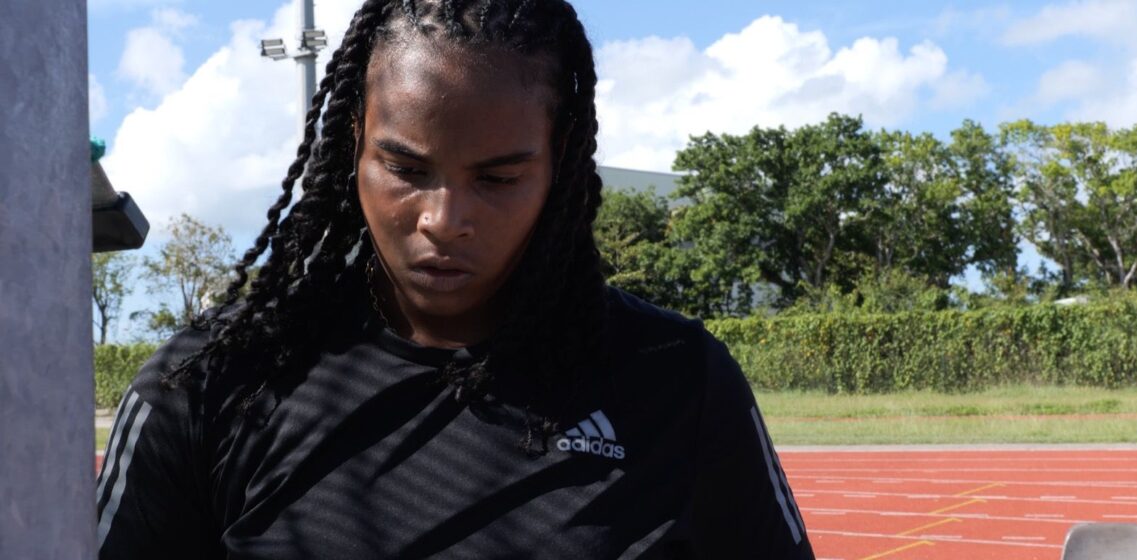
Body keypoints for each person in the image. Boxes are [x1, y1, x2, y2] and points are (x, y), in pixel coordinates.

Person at [95, 1, 815, 558]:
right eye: (406, 170)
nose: (444, 220)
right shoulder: (210, 385)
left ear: (558, 162)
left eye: (498, 177)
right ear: (354, 145)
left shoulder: (678, 384)